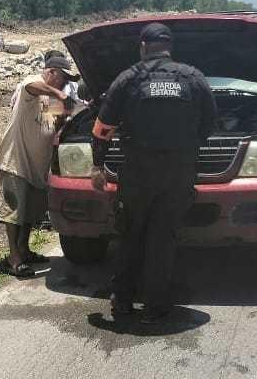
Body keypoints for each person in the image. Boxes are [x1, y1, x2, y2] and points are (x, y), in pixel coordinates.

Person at [89, 22, 217, 323]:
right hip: (177, 174)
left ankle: (122, 303)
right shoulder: (193, 78)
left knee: (130, 235)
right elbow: (210, 124)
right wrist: (186, 149)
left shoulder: (128, 79)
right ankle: (156, 306)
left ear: (143, 47)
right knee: (163, 238)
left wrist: (98, 166)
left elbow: (102, 129)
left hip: (138, 173)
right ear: (169, 46)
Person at [0, 56, 79, 277]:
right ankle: (13, 258)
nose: (64, 84)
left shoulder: (48, 99)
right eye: (63, 78)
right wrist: (59, 94)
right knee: (15, 212)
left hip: (37, 168)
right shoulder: (32, 85)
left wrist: (68, 114)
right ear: (51, 72)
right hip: (16, 162)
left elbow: (54, 122)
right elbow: (31, 85)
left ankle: (24, 250)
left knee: (31, 213)